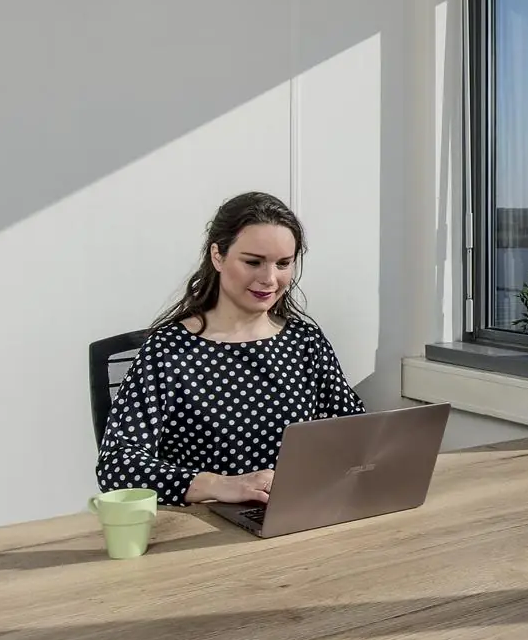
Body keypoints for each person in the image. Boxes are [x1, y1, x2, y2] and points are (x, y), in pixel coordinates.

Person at [95, 192, 364, 507]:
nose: (269, 278)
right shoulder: (167, 352)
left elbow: (357, 437)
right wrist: (218, 485)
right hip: (204, 527)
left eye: (283, 264)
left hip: (295, 518)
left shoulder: (306, 343)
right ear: (218, 256)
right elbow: (116, 465)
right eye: (253, 262)